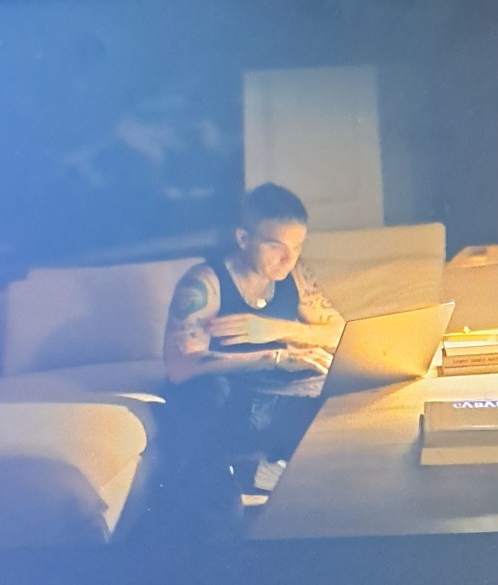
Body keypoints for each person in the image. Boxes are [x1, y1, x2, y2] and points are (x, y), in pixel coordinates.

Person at [138, 183, 344, 539]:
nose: (288, 258)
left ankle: (271, 479)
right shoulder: (205, 282)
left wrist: (273, 329)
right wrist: (272, 356)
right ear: (243, 238)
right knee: (204, 402)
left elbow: (339, 332)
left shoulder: (294, 275)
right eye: (276, 246)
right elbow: (180, 366)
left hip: (279, 397)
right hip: (227, 398)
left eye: (297, 247)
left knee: (339, 413)